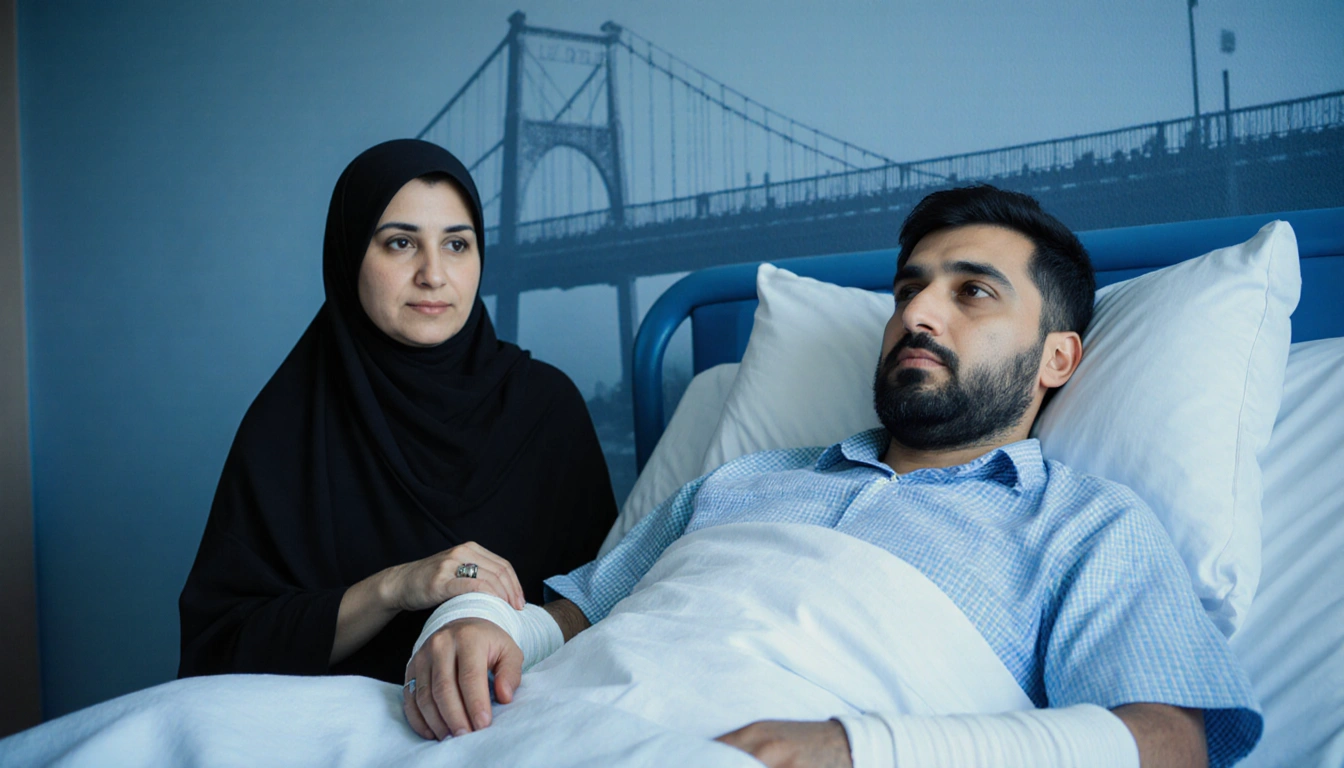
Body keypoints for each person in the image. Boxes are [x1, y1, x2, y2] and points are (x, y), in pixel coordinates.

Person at [402, 185, 1261, 767]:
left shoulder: (1086, 527)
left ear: (1058, 358)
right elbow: (564, 623)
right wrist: (477, 623)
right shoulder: (740, 481)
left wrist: (859, 748)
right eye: (909, 290)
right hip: (527, 732)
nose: (917, 313)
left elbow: (1168, 744)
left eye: (972, 293)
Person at [178, 139, 617, 685]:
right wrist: (396, 587)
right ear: (348, 256)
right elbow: (221, 648)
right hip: (339, 719)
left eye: (456, 244)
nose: (433, 274)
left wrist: (502, 630)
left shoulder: (547, 407)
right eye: (401, 243)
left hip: (522, 705)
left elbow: (605, 600)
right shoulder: (287, 427)